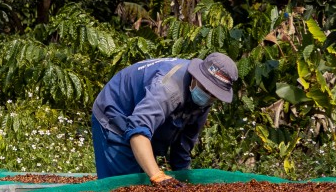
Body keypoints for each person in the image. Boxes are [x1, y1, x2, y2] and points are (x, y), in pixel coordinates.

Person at [89, 52, 239, 184]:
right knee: (124, 185)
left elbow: (184, 144)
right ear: (196, 77)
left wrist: (184, 178)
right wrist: (157, 175)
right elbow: (138, 130)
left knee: (145, 180)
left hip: (145, 122)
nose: (208, 95)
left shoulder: (203, 101)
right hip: (115, 115)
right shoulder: (169, 88)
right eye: (206, 88)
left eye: (214, 94)